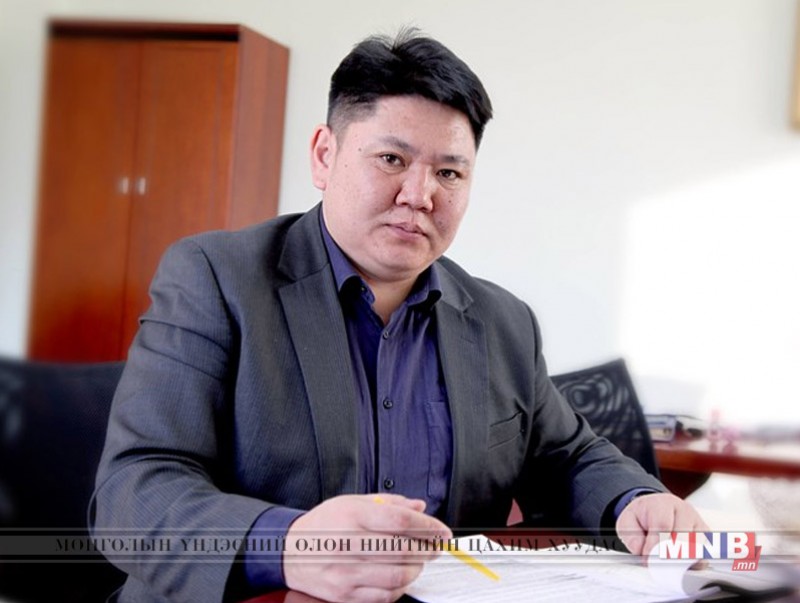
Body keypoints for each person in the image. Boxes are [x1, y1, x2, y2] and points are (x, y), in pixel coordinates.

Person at [90, 29, 708, 603]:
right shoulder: (216, 278)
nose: (420, 195)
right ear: (324, 155)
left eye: (449, 172)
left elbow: (568, 457)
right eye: (391, 159)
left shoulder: (503, 322)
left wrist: (635, 499)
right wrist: (290, 546)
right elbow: (133, 492)